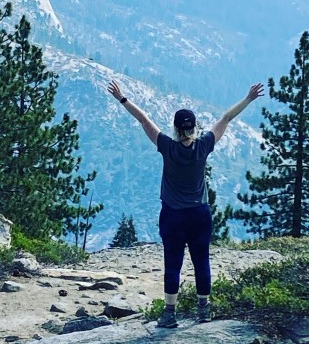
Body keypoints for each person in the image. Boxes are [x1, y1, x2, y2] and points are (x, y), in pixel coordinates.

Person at [107, 79, 264, 328]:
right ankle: (204, 311)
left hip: (172, 216)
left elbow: (144, 119)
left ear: (176, 129)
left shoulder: (167, 147)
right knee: (202, 261)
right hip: (199, 215)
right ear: (194, 129)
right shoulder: (203, 147)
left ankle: (170, 314)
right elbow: (225, 119)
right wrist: (248, 99)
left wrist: (122, 98)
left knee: (173, 264)